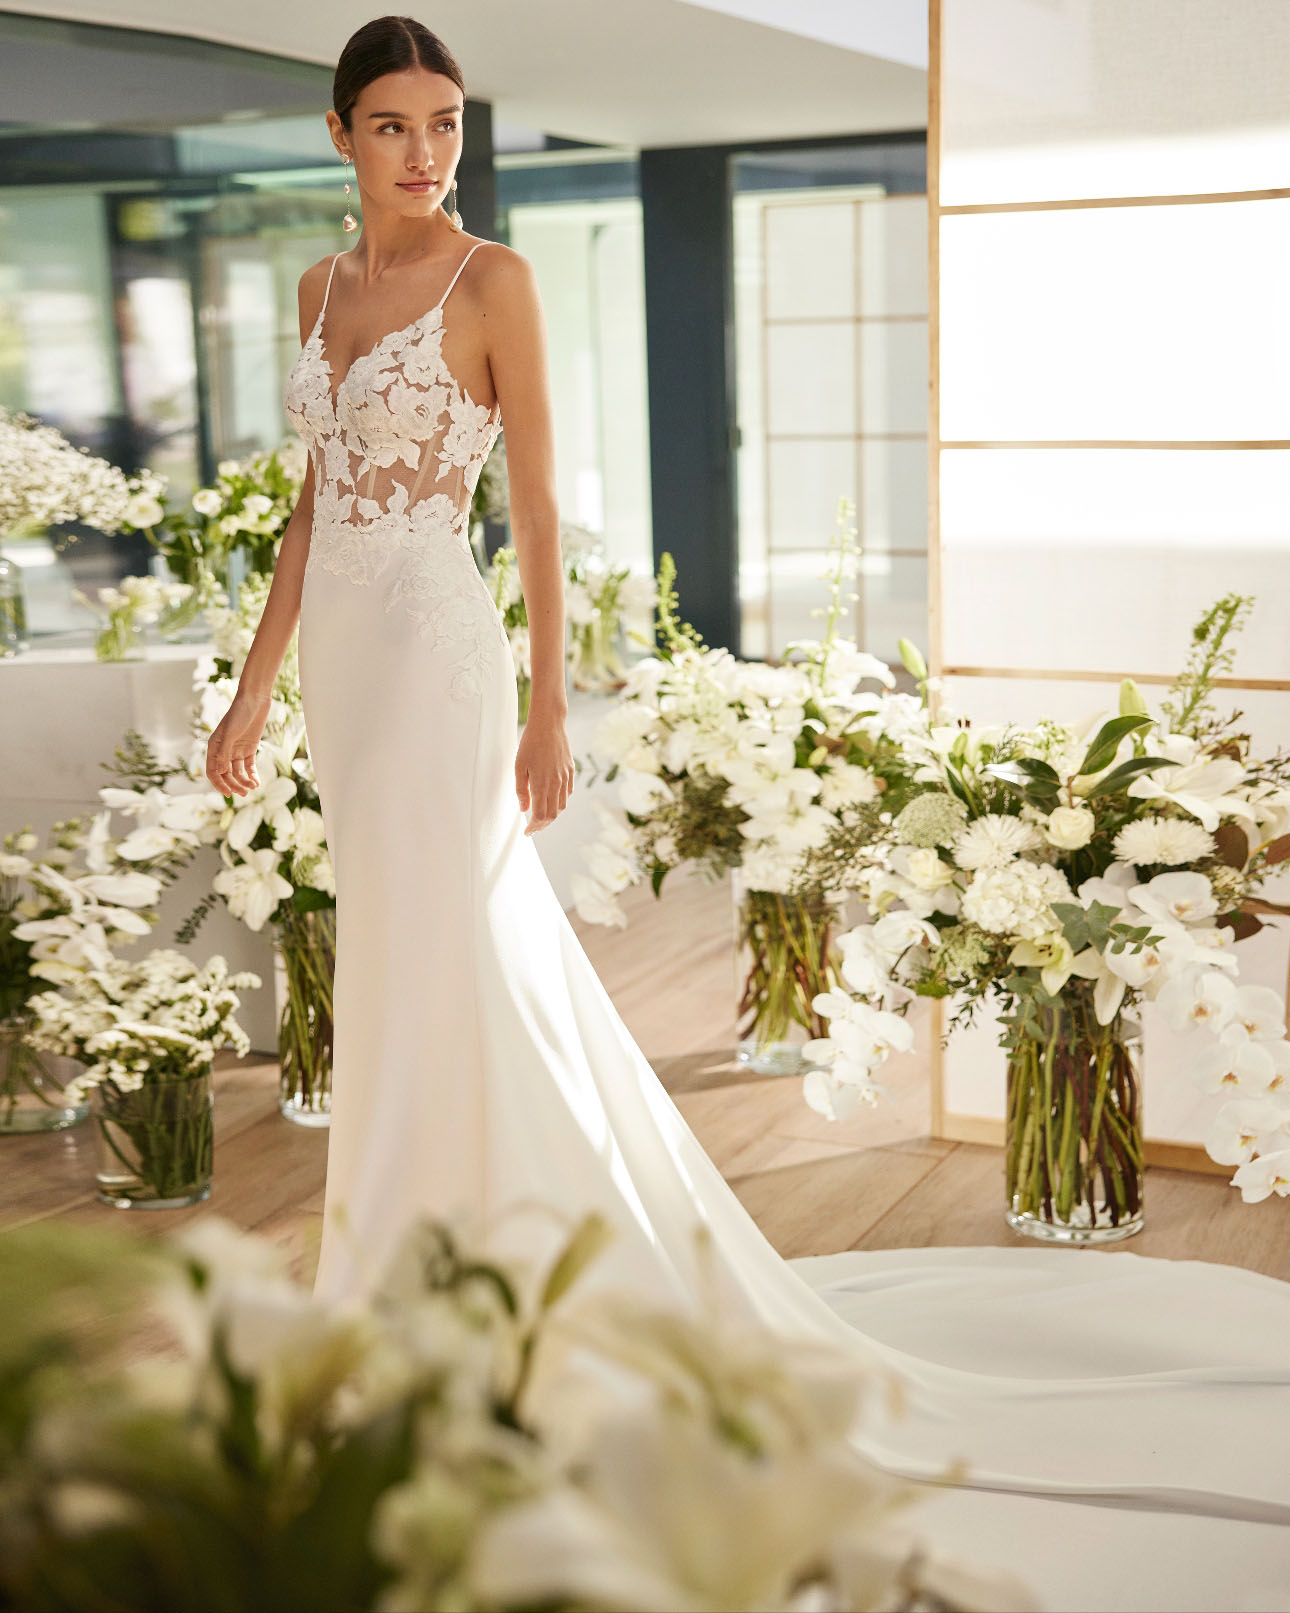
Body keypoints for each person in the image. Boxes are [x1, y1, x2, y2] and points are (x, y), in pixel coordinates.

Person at [204, 16, 1290, 1604]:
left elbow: (535, 507)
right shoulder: (317, 290)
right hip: (343, 671)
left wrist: (552, 704)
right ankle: (401, 1281)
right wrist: (251, 691)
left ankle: (479, 1282)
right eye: (392, 125)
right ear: (339, 135)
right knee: (394, 965)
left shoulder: (492, 282)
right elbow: (313, 506)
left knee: (461, 951)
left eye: (444, 121)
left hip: (439, 656)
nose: (425, 151)